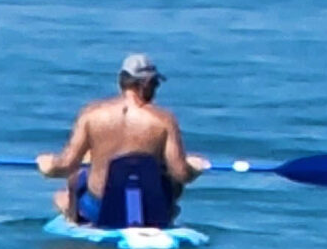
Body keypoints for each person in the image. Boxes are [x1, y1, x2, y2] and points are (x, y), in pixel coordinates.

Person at [35, 54, 209, 224]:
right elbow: (181, 173)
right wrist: (195, 167)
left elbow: (66, 166)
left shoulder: (91, 114)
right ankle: (167, 217)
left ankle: (73, 217)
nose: (155, 90)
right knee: (172, 184)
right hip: (151, 209)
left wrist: (46, 164)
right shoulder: (164, 120)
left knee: (66, 190)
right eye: (155, 84)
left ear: (121, 82)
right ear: (147, 84)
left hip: (100, 209)